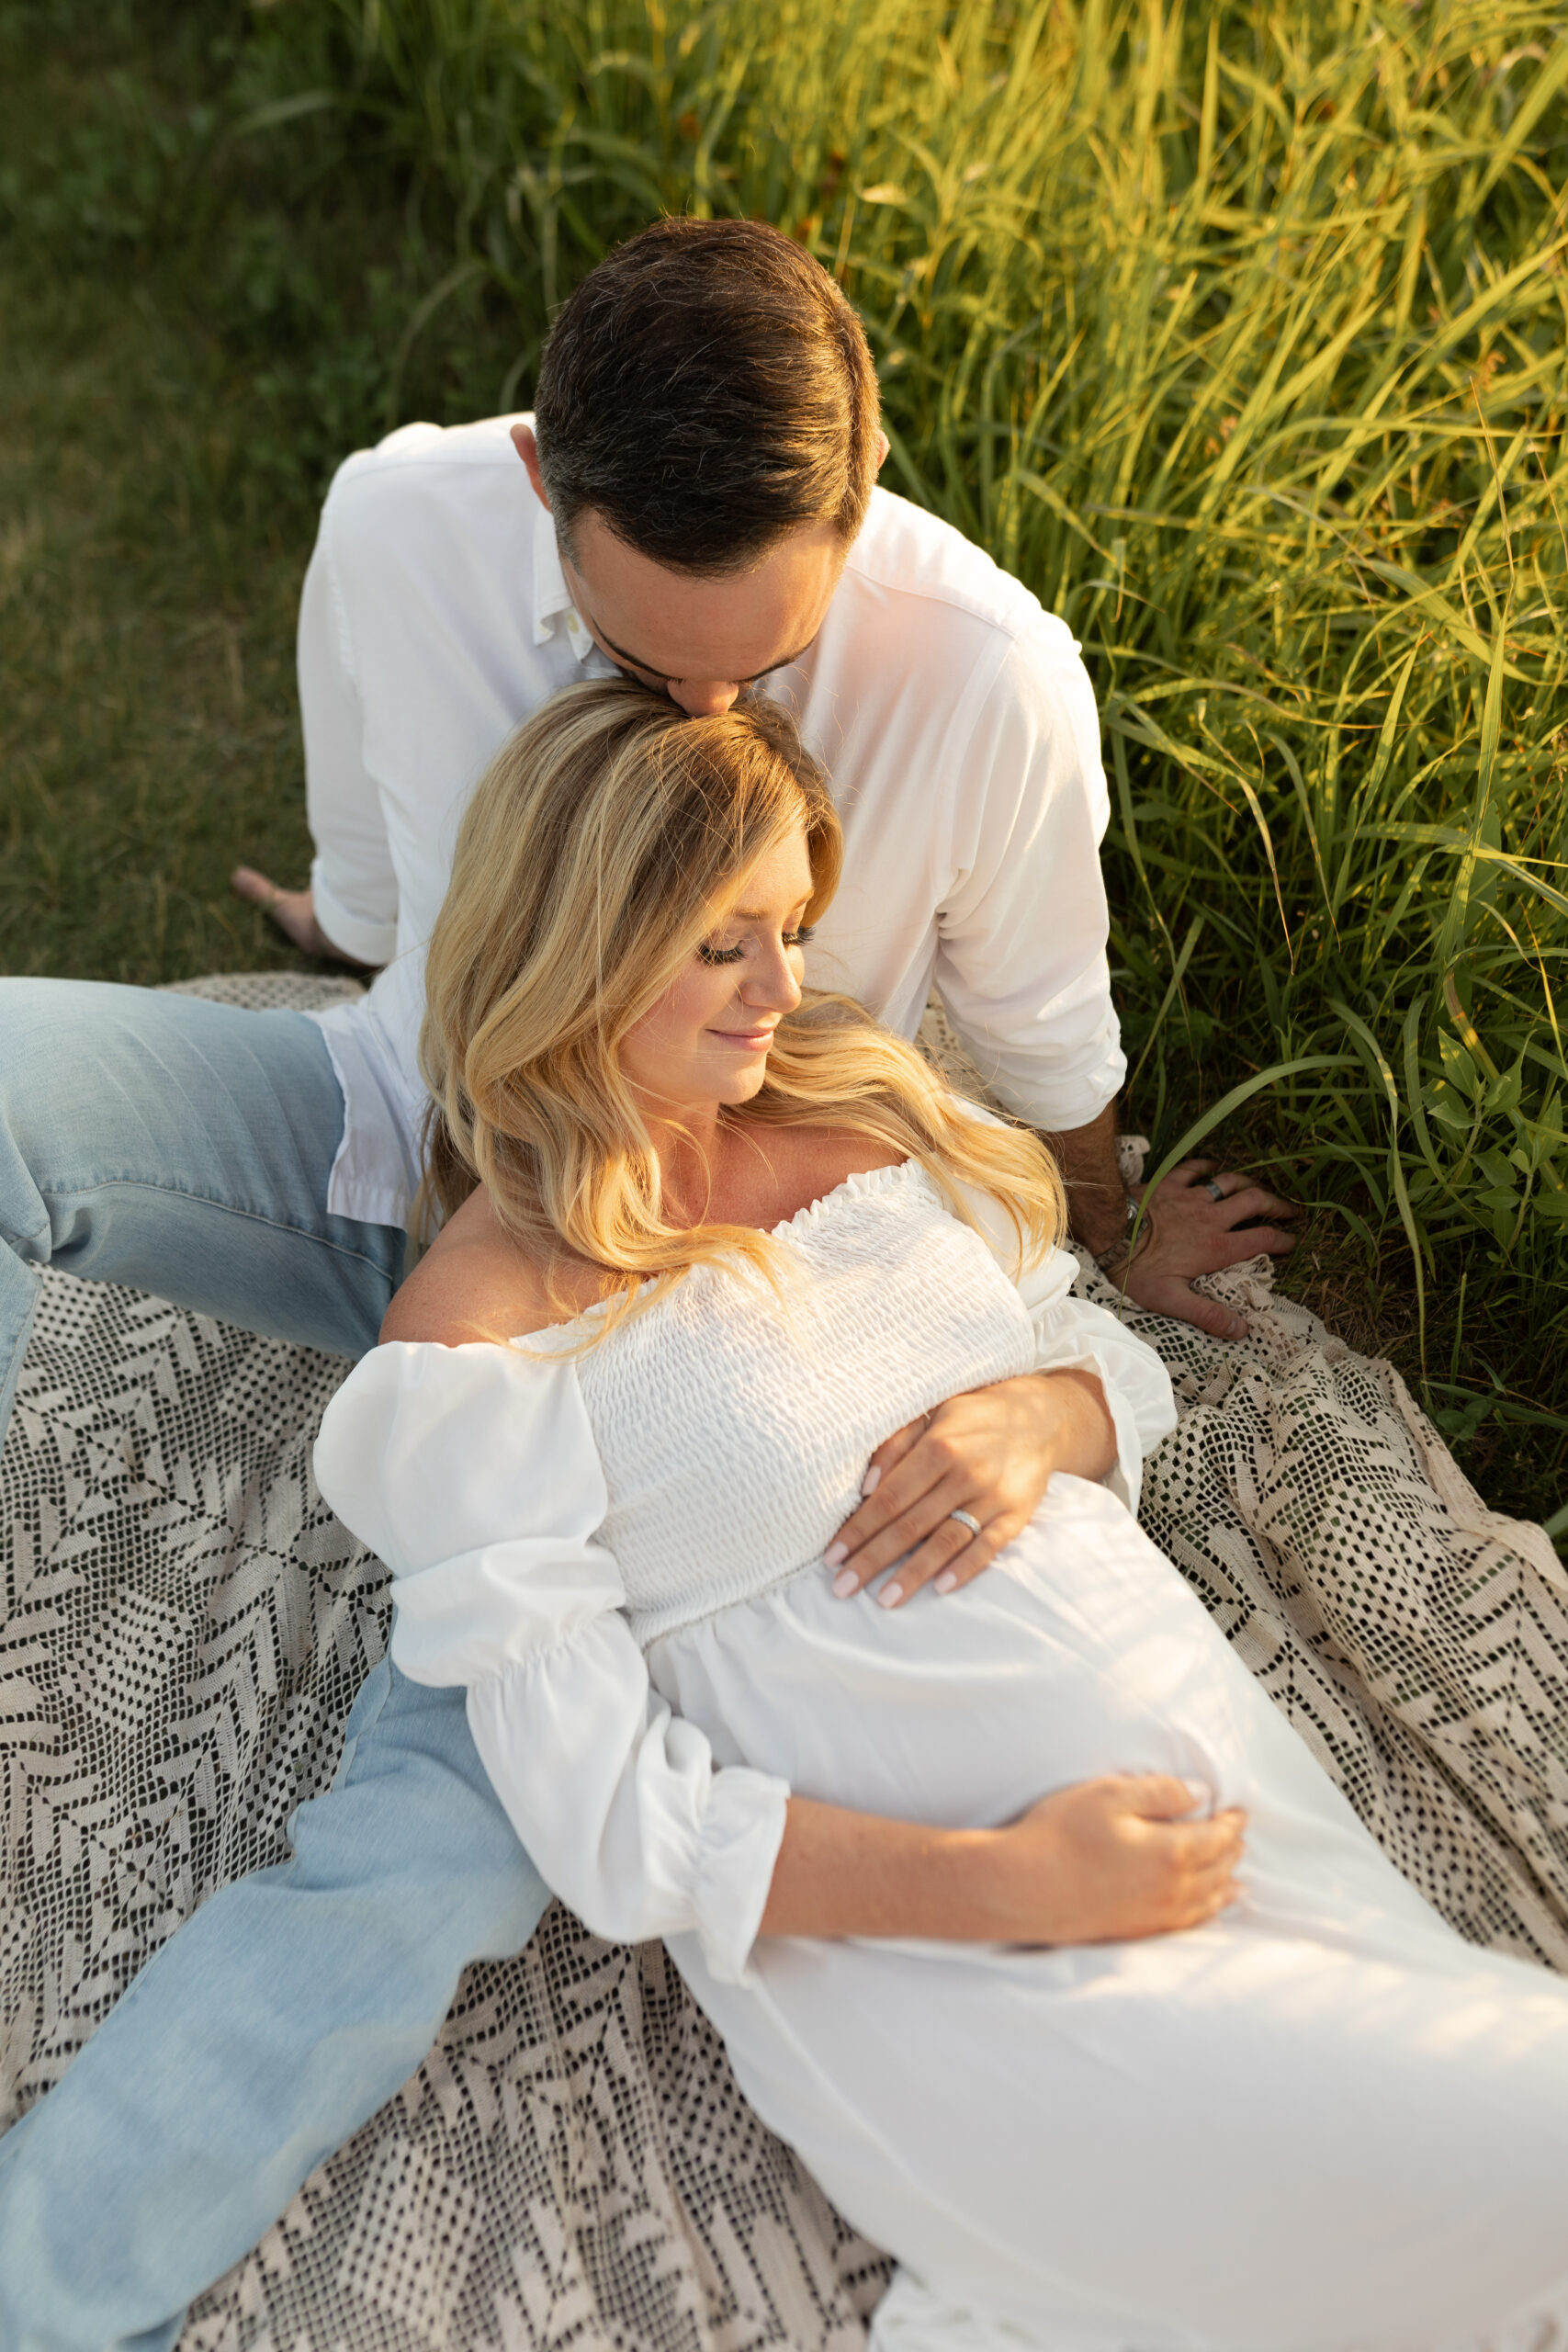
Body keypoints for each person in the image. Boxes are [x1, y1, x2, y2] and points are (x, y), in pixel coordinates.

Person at [0, 220, 1286, 2343]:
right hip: (372, 1141)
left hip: (654, 1335)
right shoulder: (393, 525)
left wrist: (1095, 1242)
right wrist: (347, 938)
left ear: (855, 502)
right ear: (538, 478)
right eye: (640, 652)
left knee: (434, 1854)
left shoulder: (987, 678)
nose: (693, 716)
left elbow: (1050, 1050)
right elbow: (377, 888)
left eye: (751, 679)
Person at [54, 678, 1568, 2352]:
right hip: (974, 1966)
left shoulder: (854, 1113)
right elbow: (617, 1825)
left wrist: (1050, 1410)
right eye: (725, 943)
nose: (787, 985)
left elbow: (1091, 1359)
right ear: (579, 943)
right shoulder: (479, 1340)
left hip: (1230, 1827)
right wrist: (1016, 1885)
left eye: (793, 927)